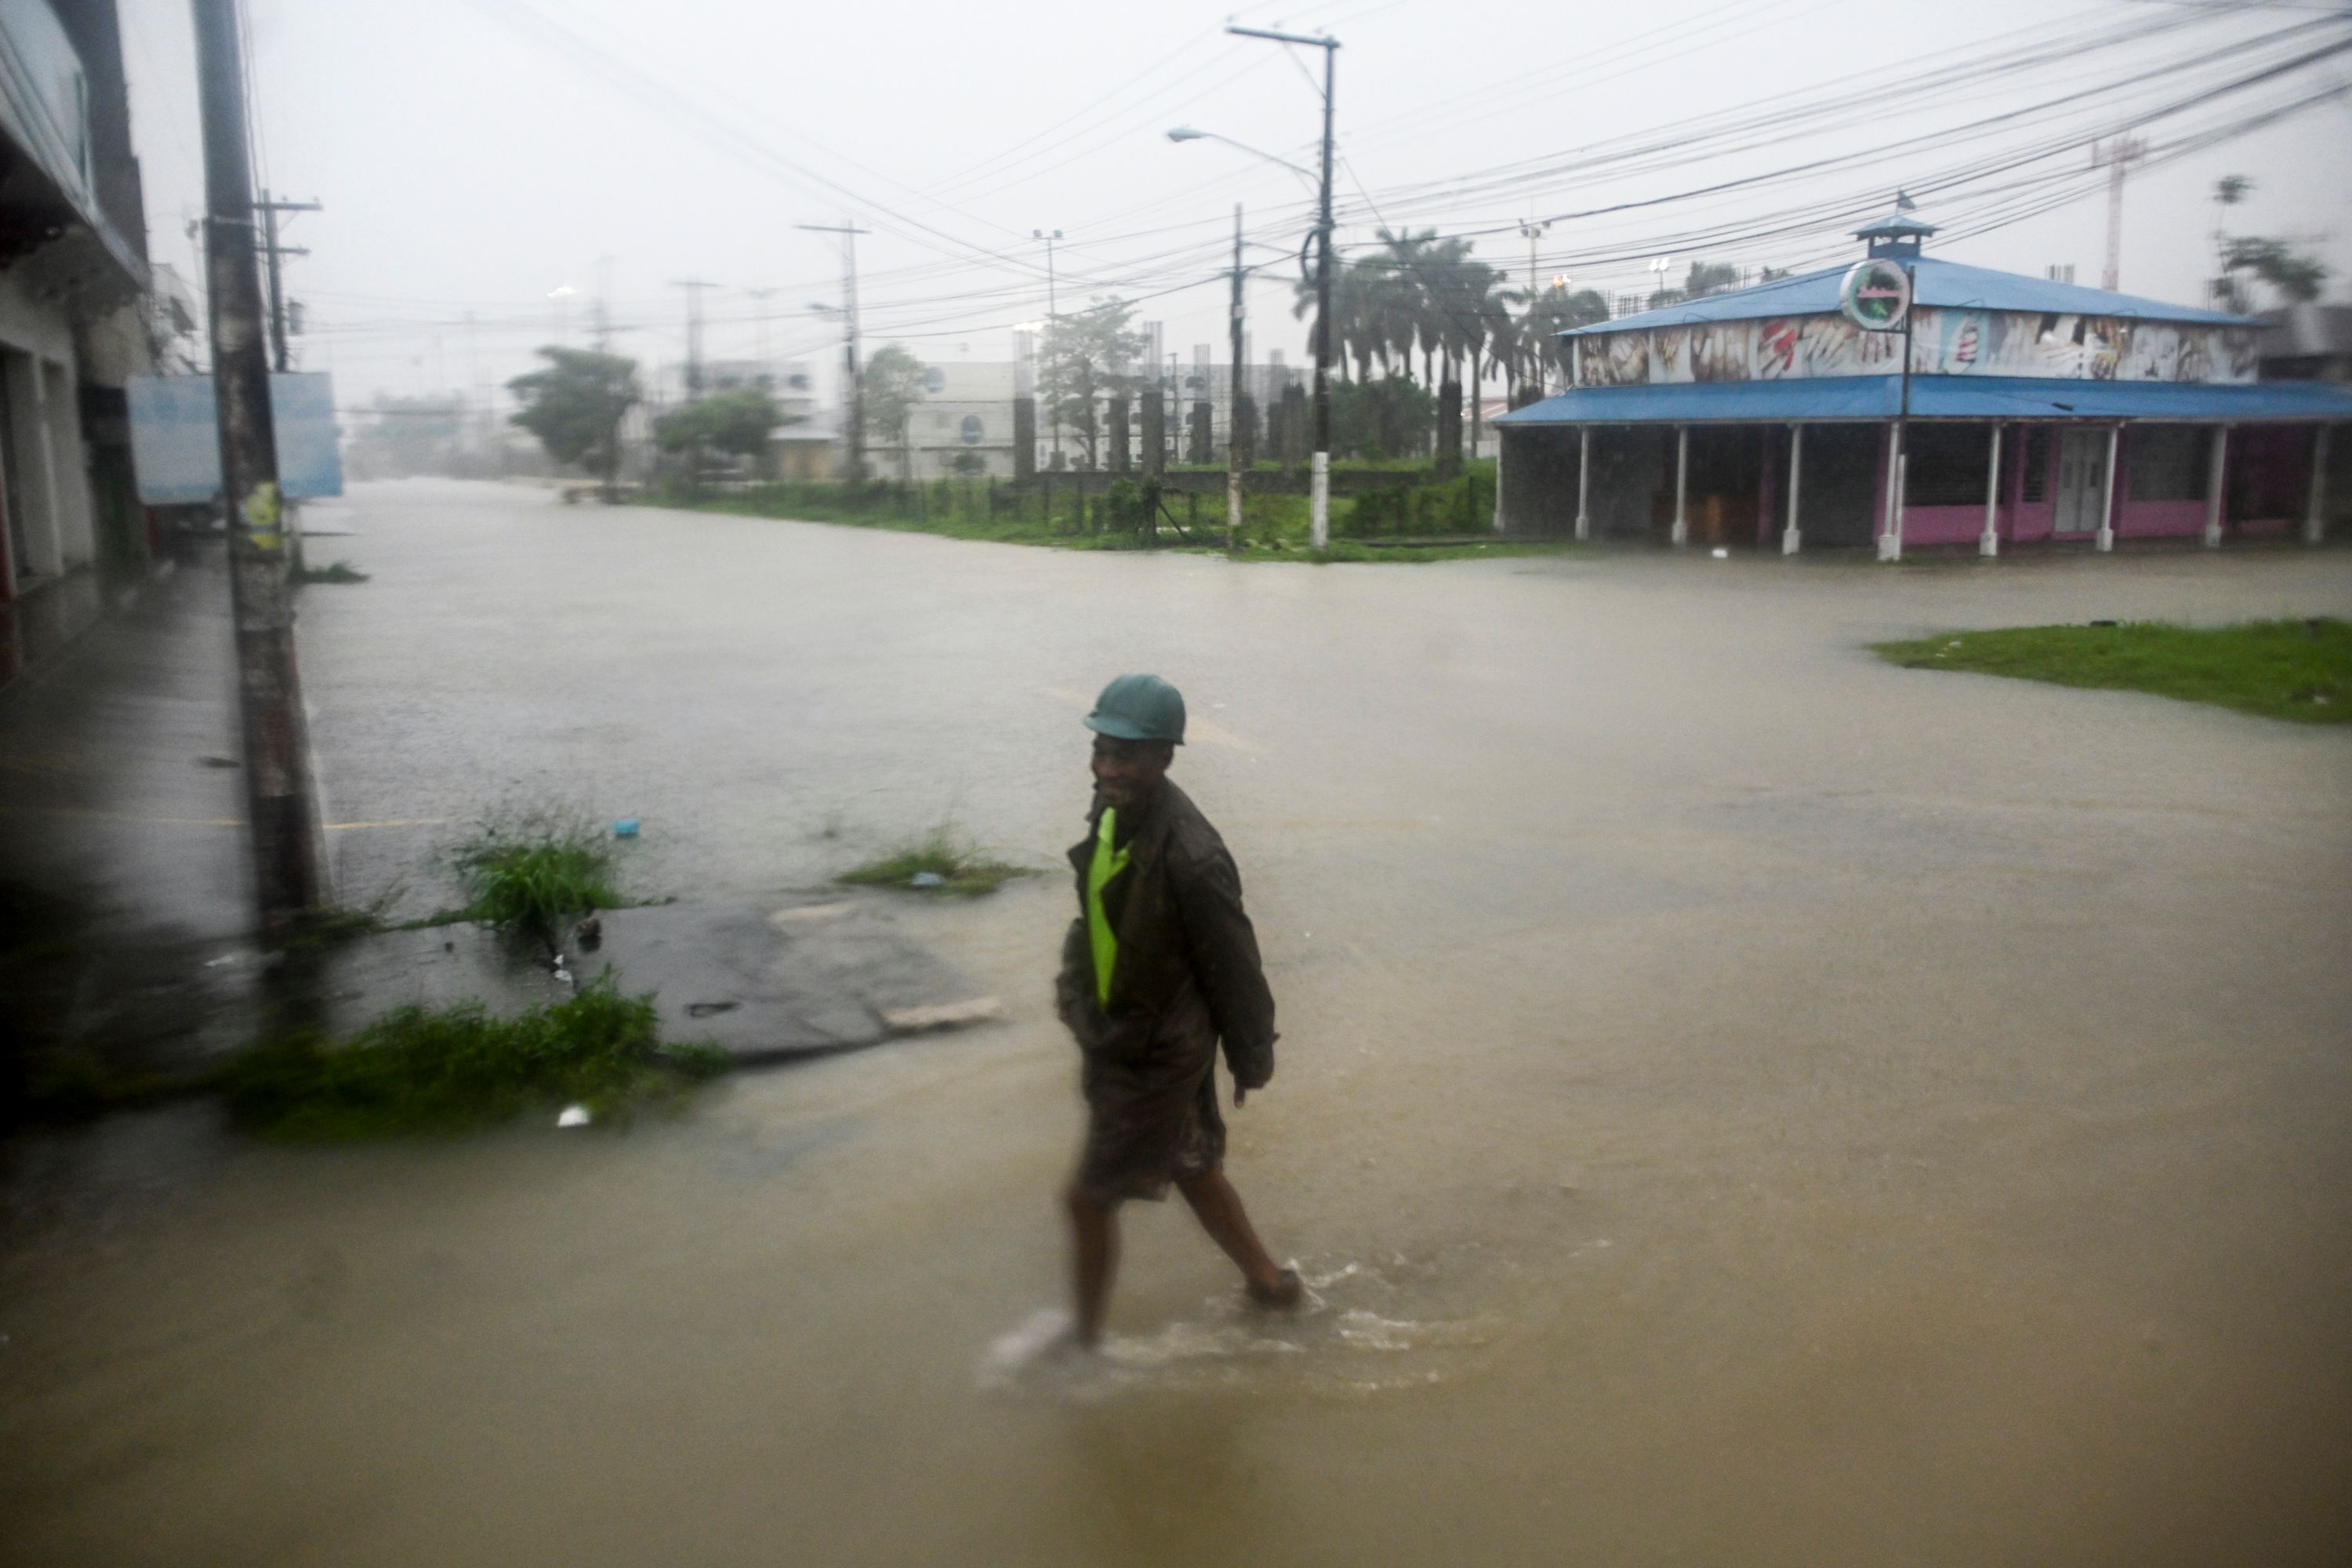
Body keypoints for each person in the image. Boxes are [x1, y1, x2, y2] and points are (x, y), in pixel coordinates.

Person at [1054, 673, 1301, 1348]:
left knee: (1086, 1199)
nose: (1107, 768)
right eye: (1101, 750)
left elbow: (1236, 964)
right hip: (1127, 1030)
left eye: (1125, 756)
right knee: (1192, 1165)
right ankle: (1271, 1287)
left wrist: (1252, 1056)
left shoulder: (1193, 856)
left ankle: (1082, 1350)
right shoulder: (1114, 809)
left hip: (1156, 1049)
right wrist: (1075, 982)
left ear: (1165, 757)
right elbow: (1098, 908)